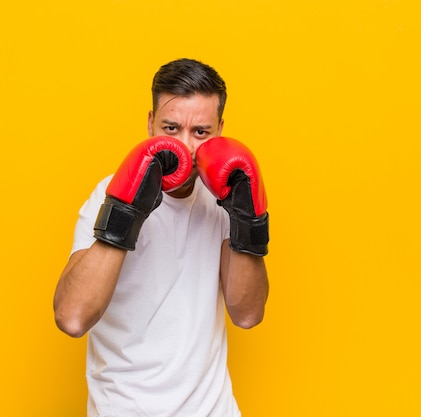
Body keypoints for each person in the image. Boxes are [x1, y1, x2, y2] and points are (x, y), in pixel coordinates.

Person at [53, 58, 270, 417]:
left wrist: (246, 218)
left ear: (220, 131)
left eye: (201, 132)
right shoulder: (108, 194)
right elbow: (72, 318)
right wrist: (126, 211)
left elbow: (247, 314)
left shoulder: (224, 198)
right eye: (171, 128)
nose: (185, 146)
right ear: (150, 123)